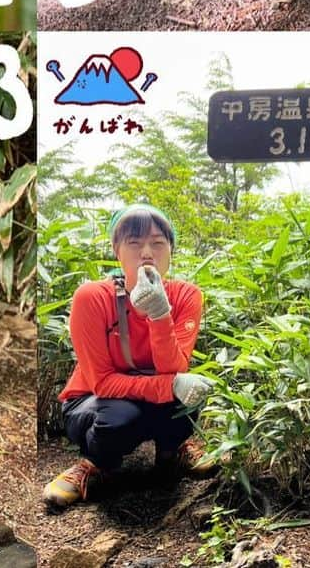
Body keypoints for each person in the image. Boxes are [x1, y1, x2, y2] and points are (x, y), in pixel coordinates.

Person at [42, 205, 215, 508]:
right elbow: (104, 384)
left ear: (170, 250)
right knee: (121, 417)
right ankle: (94, 464)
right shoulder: (92, 297)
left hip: (146, 393)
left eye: (158, 243)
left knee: (190, 391)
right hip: (93, 401)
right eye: (134, 243)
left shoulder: (187, 295)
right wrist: (168, 387)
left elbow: (174, 367)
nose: (147, 252)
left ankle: (171, 453)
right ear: (117, 250)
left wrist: (159, 313)